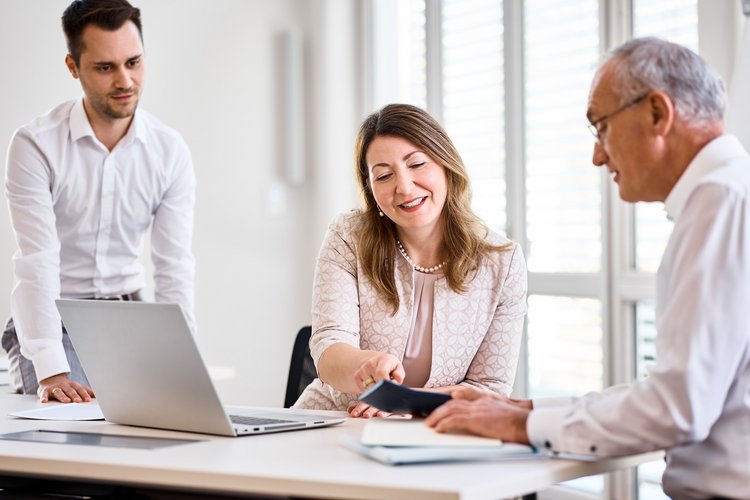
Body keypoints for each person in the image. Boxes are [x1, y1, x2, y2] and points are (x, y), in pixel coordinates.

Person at [426, 37, 750, 499]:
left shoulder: (722, 203)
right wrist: (526, 408)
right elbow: (675, 390)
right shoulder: (726, 195)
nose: (598, 155)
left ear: (658, 113)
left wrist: (523, 424)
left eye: (601, 127)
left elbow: (678, 407)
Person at [3, 0, 196, 404]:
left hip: (130, 316)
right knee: (63, 430)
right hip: (56, 318)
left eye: (134, 62)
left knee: (160, 423)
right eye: (105, 68)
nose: (125, 80)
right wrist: (52, 371)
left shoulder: (169, 150)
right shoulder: (35, 145)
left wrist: (184, 358)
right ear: (73, 67)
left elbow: (173, 264)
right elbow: (36, 259)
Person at [293, 103, 527, 417]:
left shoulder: (502, 262)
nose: (403, 187)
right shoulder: (348, 236)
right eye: (384, 175)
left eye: (416, 164)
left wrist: (402, 402)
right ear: (371, 189)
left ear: (446, 164)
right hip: (336, 420)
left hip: (442, 433)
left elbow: (490, 387)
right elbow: (328, 347)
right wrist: (367, 366)